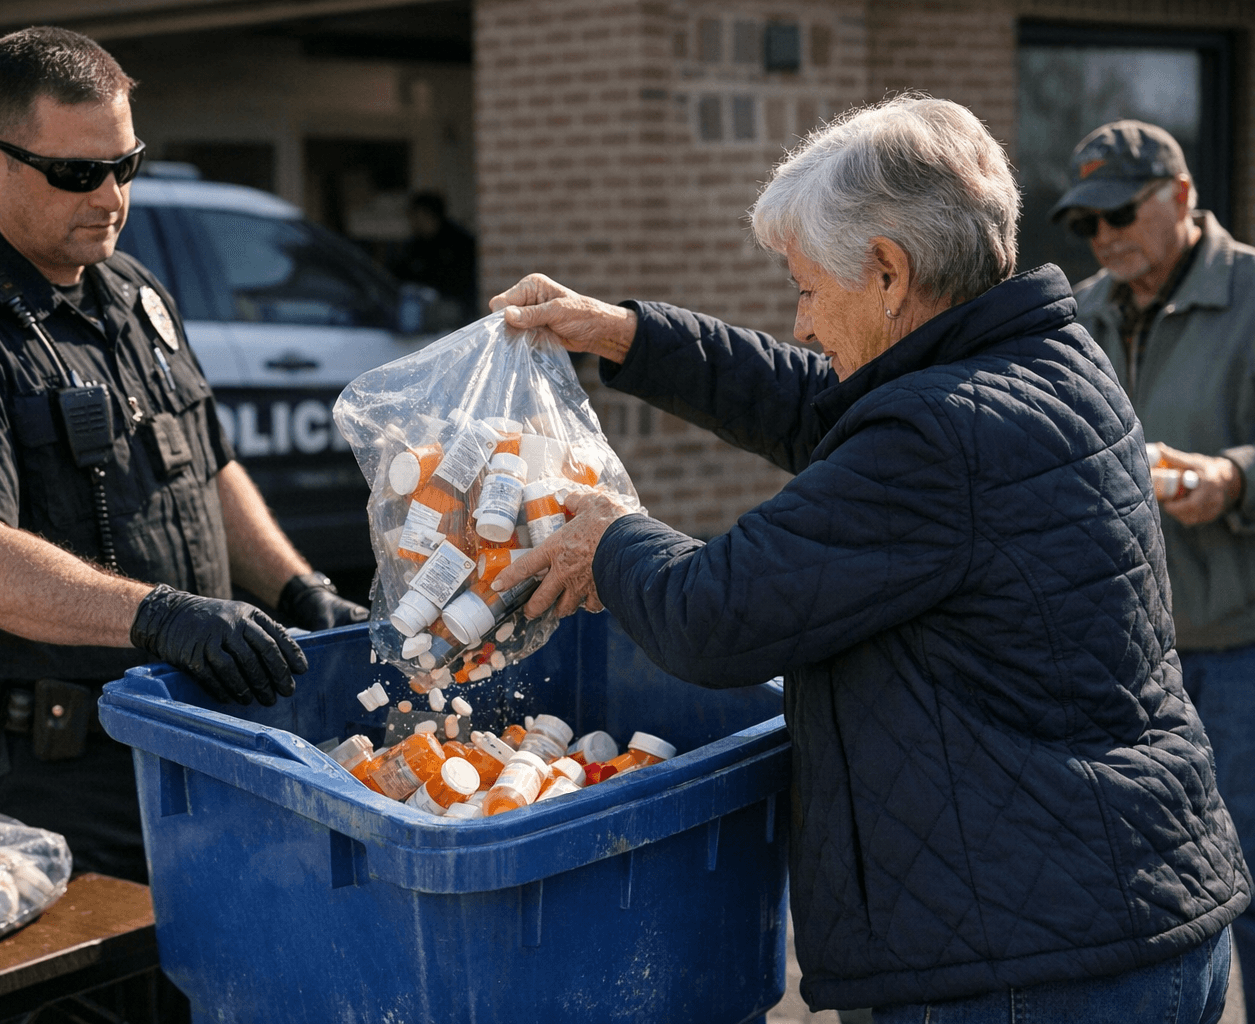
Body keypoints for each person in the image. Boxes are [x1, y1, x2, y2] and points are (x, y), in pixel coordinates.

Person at [487, 95, 1249, 1020]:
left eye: (808, 288)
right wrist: (629, 336)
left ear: (889, 273)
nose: (802, 323)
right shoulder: (1041, 362)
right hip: (1116, 914)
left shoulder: (939, 433)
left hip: (1029, 965)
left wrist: (611, 538)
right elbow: (825, 404)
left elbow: (714, 617)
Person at [0, 26, 367, 885]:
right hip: (31, 787)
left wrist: (301, 590)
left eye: (125, 165)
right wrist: (164, 615)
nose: (110, 195)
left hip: (182, 749)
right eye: (77, 172)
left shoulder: (132, 292)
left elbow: (208, 467)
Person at [1052, 118, 1255, 1013]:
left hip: (1241, 649)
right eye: (1088, 224)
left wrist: (1234, 477)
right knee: (1146, 903)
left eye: (1121, 213)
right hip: (1122, 663)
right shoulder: (1078, 315)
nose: (1104, 239)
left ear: (1180, 195)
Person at [390, 191, 478, 318]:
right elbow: (401, 275)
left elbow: (460, 282)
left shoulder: (459, 242)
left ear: (429, 215)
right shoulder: (415, 244)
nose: (412, 222)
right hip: (420, 303)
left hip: (455, 306)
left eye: (416, 216)